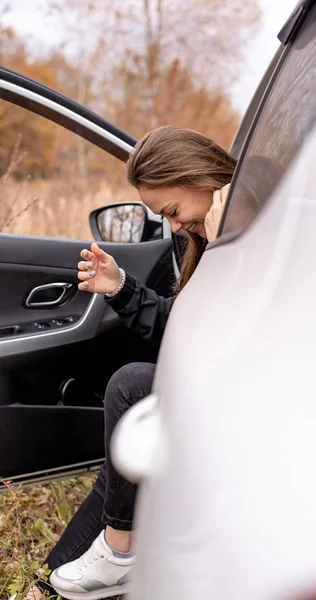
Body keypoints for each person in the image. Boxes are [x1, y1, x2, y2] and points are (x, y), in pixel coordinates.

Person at [15, 126, 236, 600]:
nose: (175, 228)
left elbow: (235, 331)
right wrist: (120, 287)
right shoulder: (206, 239)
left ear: (203, 180)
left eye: (173, 212)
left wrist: (226, 252)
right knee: (123, 461)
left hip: (254, 392)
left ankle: (112, 555)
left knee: (134, 387)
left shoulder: (255, 237)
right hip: (223, 384)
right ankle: (48, 587)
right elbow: (184, 333)